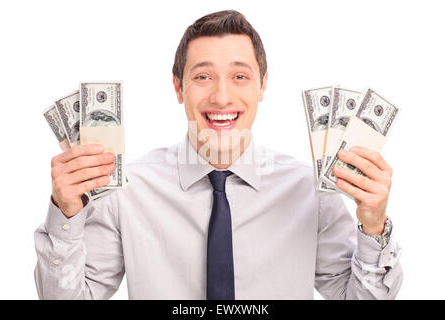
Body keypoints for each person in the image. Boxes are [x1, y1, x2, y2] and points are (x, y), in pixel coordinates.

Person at [34, 10, 403, 300]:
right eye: (203, 77)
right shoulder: (126, 193)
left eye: (240, 77)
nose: (222, 97)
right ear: (178, 87)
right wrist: (65, 214)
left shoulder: (311, 192)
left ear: (263, 85)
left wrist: (374, 226)